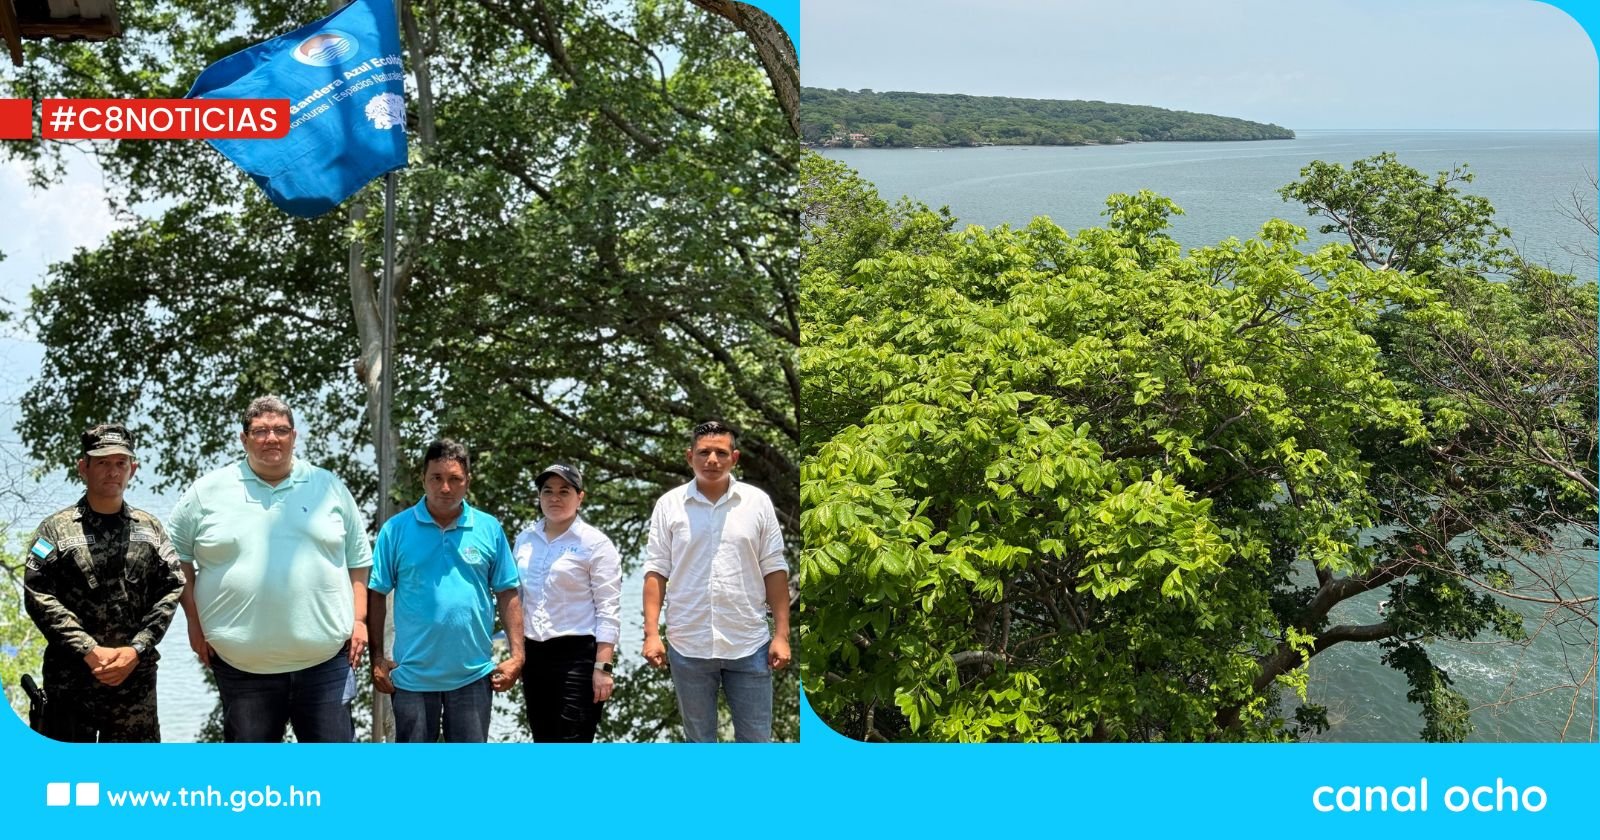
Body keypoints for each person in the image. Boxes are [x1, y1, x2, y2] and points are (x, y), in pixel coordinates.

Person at [168, 395, 372, 743]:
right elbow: (175, 557)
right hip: (242, 668)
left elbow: (359, 560)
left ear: (294, 436)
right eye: (260, 431)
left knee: (334, 771)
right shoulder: (207, 491)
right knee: (251, 773)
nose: (271, 438)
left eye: (280, 430)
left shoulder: (329, 487)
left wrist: (359, 620)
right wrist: (193, 621)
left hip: (326, 664)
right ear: (243, 438)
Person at [23, 423, 185, 742]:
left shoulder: (150, 529)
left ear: (132, 469)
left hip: (134, 684)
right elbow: (38, 593)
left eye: (120, 463)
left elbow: (171, 589)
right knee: (68, 772)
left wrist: (136, 649)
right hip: (71, 681)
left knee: (134, 773)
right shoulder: (55, 530)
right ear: (83, 467)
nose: (113, 472)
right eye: (102, 462)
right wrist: (88, 649)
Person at [642, 420, 790, 742]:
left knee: (756, 742)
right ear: (690, 457)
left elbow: (774, 568)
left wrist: (781, 635)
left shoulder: (757, 502)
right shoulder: (669, 505)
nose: (712, 460)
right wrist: (651, 634)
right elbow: (656, 570)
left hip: (749, 643)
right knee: (699, 743)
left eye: (721, 453)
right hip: (688, 644)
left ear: (734, 458)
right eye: (704, 452)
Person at [367, 439, 524, 743]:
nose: (445, 488)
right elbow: (377, 594)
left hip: (473, 676)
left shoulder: (489, 528)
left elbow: (508, 592)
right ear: (423, 479)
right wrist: (376, 658)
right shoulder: (395, 530)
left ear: (468, 481)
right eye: (436, 478)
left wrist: (517, 656)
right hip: (412, 678)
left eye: (455, 479)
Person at [513, 462, 622, 743]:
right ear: (539, 497)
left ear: (580, 497)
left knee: (573, 740)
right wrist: (517, 654)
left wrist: (604, 668)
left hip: (578, 657)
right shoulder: (525, 539)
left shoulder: (595, 544)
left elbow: (609, 610)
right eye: (547, 491)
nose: (555, 498)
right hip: (534, 655)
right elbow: (518, 600)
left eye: (564, 491)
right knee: (542, 739)